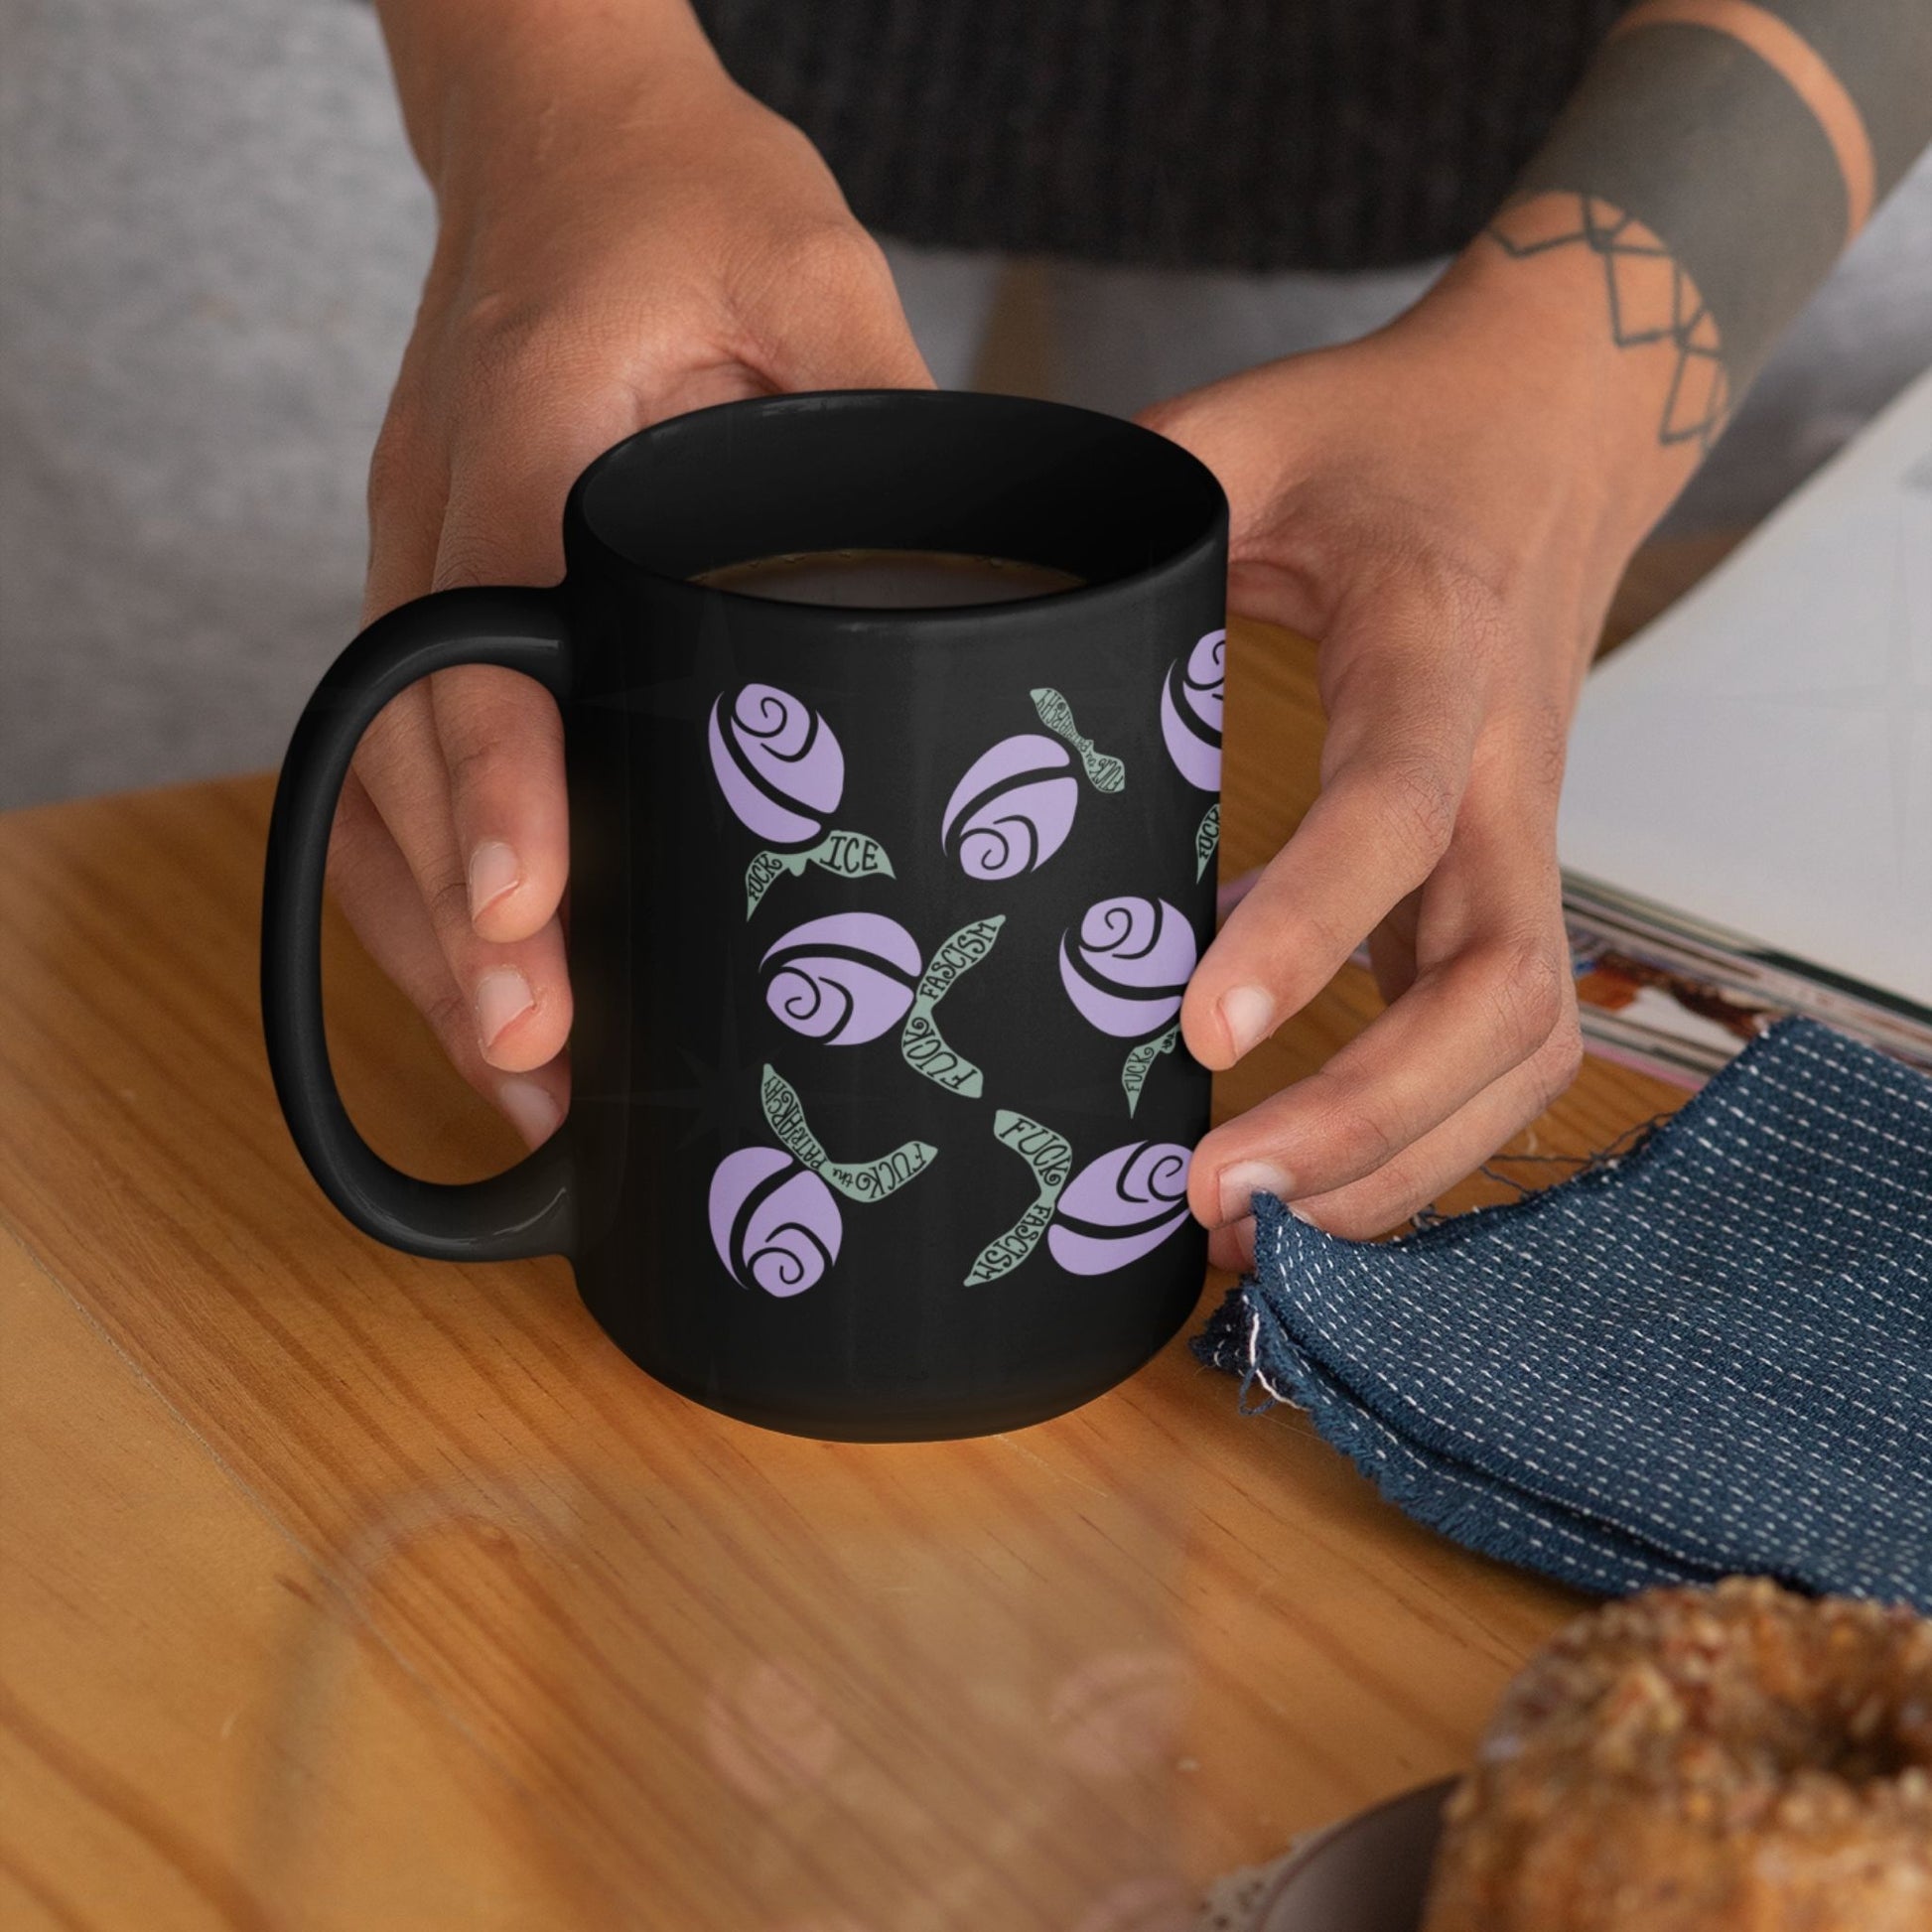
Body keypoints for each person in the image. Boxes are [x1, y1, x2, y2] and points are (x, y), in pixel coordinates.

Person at [338, 0, 1931, 1264]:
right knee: (383, 817)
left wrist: (1573, 396)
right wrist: (546, 80)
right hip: (448, 86)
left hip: (1606, 109)